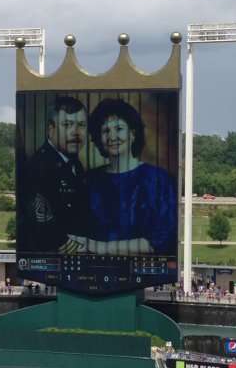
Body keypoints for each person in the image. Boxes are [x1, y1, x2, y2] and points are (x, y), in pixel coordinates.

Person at [74, 97, 177, 256]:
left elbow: (161, 241)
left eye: (119, 128)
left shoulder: (159, 181)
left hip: (143, 272)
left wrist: (99, 247)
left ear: (133, 134)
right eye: (105, 131)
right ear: (98, 139)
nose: (112, 137)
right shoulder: (89, 180)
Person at [18, 95, 89, 252]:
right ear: (51, 129)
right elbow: (41, 225)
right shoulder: (38, 167)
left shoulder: (74, 164)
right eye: (67, 124)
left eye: (82, 125)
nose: (76, 133)